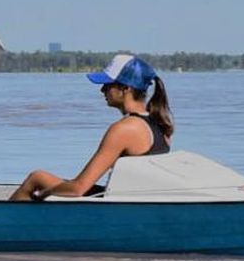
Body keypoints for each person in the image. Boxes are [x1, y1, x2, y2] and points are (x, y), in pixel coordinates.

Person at [10, 53, 174, 202]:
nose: (102, 90)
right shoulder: (160, 124)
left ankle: (0, 229)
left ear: (125, 88)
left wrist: (47, 192)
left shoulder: (125, 129)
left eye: (108, 85)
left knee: (36, 178)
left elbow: (78, 188)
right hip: (134, 201)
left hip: (121, 207)